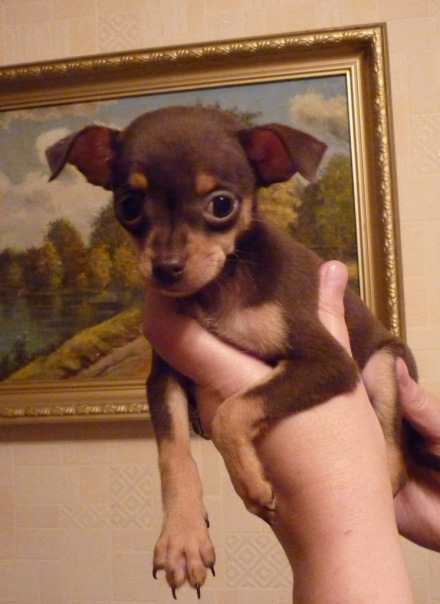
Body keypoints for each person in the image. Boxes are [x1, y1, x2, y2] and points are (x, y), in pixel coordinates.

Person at [143, 260, 440, 602]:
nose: (168, 257)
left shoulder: (265, 275)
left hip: (359, 379)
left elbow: (330, 367)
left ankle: (390, 458)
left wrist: (342, 503)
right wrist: (180, 499)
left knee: (386, 361)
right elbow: (165, 380)